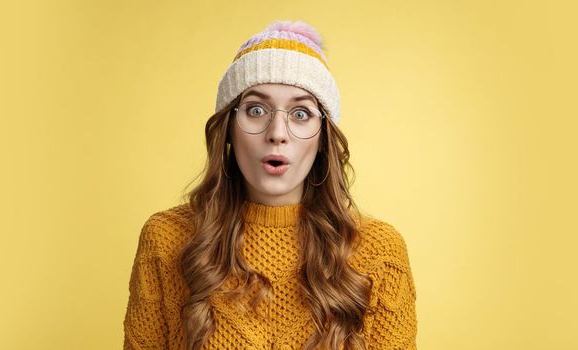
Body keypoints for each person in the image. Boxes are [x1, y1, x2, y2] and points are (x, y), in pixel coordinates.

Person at [123, 20, 417, 350]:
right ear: (229, 129)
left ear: (323, 138)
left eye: (301, 114)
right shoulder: (168, 240)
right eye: (256, 109)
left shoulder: (379, 252)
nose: (277, 132)